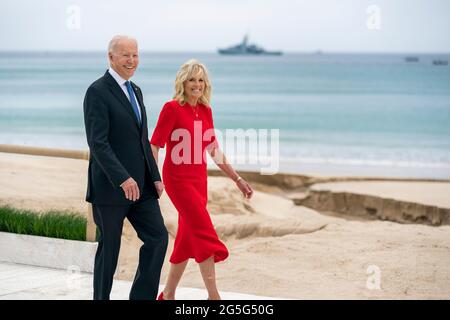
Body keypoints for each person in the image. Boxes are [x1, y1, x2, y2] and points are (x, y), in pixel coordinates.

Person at [150, 59, 254, 300]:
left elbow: (214, 150)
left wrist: (237, 179)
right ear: (182, 83)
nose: (196, 84)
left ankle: (168, 295)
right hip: (177, 180)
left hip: (199, 180)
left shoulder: (206, 111)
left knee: (187, 238)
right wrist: (155, 178)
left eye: (200, 80)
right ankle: (213, 296)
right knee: (204, 233)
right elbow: (155, 145)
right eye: (191, 80)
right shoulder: (172, 108)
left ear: (205, 84)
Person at [83, 35, 168, 300]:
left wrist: (154, 176)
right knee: (109, 251)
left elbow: (142, 139)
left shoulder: (136, 90)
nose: (132, 61)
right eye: (125, 55)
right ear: (111, 57)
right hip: (111, 188)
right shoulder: (97, 91)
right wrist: (122, 178)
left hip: (142, 187)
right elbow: (98, 143)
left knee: (158, 238)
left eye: (135, 55)